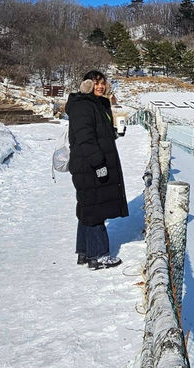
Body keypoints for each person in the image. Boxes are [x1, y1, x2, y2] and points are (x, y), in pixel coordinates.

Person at [65, 70, 128, 270]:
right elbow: (85, 138)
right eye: (96, 83)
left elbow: (99, 131)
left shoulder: (99, 103)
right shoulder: (82, 106)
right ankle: (99, 255)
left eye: (102, 83)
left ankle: (84, 251)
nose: (100, 86)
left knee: (87, 206)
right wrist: (98, 164)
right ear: (87, 84)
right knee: (95, 209)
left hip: (92, 163)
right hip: (88, 165)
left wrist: (113, 133)